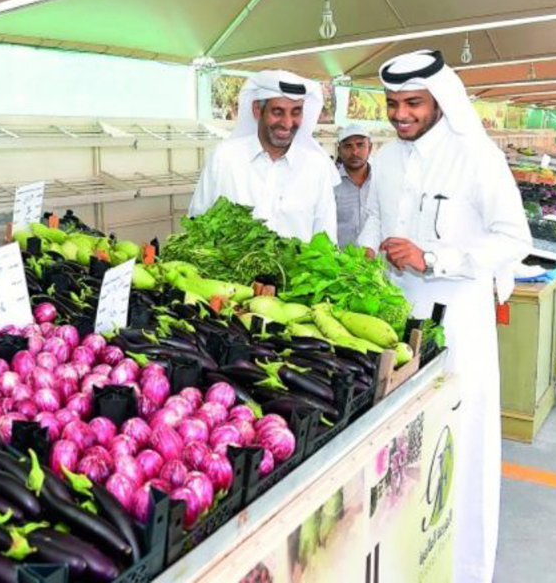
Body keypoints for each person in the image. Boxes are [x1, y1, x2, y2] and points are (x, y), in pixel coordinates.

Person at [358, 50, 531, 583]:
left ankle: (467, 568)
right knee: (405, 449)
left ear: (439, 101)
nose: (400, 114)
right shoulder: (386, 160)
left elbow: (514, 240)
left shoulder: (475, 156)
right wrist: (366, 253)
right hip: (393, 324)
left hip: (458, 324)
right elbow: (373, 220)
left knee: (461, 441)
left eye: (413, 103)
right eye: (391, 104)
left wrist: (434, 258)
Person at [190, 70, 339, 242]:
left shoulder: (317, 166)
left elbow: (326, 239)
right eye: (278, 112)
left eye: (296, 112)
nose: (287, 123)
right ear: (257, 110)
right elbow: (198, 223)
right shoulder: (225, 158)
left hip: (297, 269)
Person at [333, 123, 372, 247]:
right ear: (339, 150)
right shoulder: (330, 183)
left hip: (378, 262)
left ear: (369, 148)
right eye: (348, 146)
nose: (354, 152)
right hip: (340, 262)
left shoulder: (382, 181)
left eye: (360, 145)